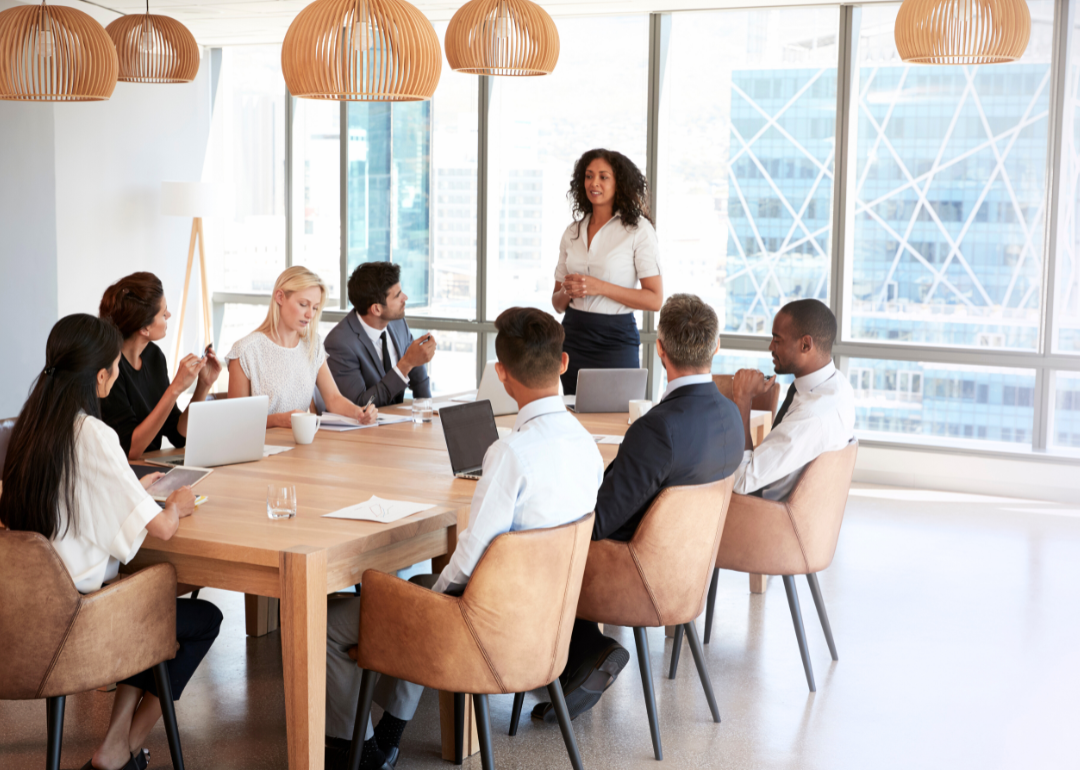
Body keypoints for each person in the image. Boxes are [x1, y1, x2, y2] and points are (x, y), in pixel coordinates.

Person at [323, 307, 606, 770]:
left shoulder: (511, 452)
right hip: (547, 623)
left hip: (485, 630)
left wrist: (430, 601)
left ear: (501, 373)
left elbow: (472, 555)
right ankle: (387, 739)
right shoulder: (586, 446)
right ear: (563, 363)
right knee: (421, 592)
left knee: (335, 619)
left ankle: (357, 754)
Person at [0, 314, 222, 770]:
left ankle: (116, 748)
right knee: (198, 618)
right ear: (101, 375)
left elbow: (67, 500)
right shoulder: (94, 434)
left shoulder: (27, 429)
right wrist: (176, 505)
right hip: (77, 625)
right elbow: (160, 531)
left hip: (20, 619)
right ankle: (124, 745)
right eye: (116, 366)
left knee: (147, 606)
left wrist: (130, 493)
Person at [530, 293, 744, 723]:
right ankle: (585, 649)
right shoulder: (730, 415)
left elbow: (601, 521)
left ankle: (586, 650)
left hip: (633, 572)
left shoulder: (658, 428)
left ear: (659, 349)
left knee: (533, 542)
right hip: (685, 572)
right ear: (715, 347)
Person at [552, 148, 664, 394]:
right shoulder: (572, 232)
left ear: (619, 183)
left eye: (604, 177)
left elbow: (654, 299)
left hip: (616, 340)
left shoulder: (638, 230)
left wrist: (598, 286)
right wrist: (569, 291)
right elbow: (557, 303)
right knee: (575, 416)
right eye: (589, 176)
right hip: (573, 337)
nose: (594, 183)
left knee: (617, 418)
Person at [731, 298, 855, 500]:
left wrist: (743, 400)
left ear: (806, 344)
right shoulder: (838, 385)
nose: (771, 347)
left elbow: (742, 481)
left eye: (777, 340)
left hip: (759, 511)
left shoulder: (810, 417)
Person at [226, 266, 377, 428]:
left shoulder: (313, 345)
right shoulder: (245, 351)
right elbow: (235, 421)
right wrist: (277, 420)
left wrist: (359, 413)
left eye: (315, 308)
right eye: (304, 304)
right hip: (261, 448)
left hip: (302, 444)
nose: (310, 315)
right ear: (280, 297)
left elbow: (333, 398)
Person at [98, 272, 222, 460]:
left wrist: (203, 384)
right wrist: (175, 389)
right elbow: (130, 450)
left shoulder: (153, 356)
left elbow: (178, 435)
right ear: (144, 328)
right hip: (127, 474)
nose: (169, 315)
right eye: (163, 313)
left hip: (151, 469)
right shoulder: (110, 371)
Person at [325, 262, 434, 408]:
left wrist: (427, 409)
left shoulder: (397, 322)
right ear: (376, 309)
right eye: (397, 296)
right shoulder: (339, 343)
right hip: (363, 429)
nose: (405, 297)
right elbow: (360, 404)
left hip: (399, 424)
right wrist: (405, 364)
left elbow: (416, 370)